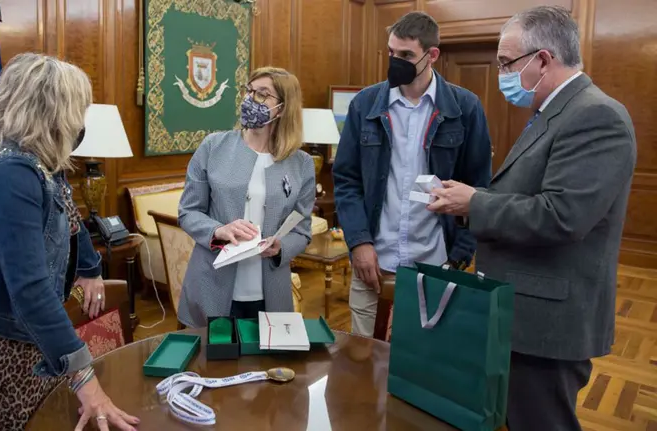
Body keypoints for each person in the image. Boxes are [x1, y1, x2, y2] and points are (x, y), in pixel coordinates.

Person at [427, 6, 636, 431]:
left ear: (542, 60)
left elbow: (562, 216)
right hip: (521, 309)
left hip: (549, 322)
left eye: (506, 63)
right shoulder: (553, 112)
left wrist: (475, 204)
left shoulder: (596, 116)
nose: (502, 73)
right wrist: (470, 199)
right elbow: (528, 196)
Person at [0, 53, 139, 431]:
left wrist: (89, 270)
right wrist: (88, 384)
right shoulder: (10, 172)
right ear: (53, 111)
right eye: (79, 109)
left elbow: (71, 221)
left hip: (29, 343)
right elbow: (30, 291)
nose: (82, 122)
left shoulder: (40, 165)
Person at [332, 11, 492, 336]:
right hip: (373, 263)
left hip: (433, 264)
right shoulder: (365, 104)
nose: (396, 61)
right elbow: (347, 181)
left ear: (432, 55)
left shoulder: (465, 108)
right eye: (391, 53)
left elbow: (478, 189)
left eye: (406, 55)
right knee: (364, 366)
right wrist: (359, 243)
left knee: (419, 369)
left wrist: (459, 257)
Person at [178, 66, 315, 327]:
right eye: (249, 91)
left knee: (264, 366)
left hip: (269, 290)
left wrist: (281, 247)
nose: (251, 99)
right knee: (212, 364)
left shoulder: (302, 164)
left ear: (283, 108)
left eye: (263, 95)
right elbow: (188, 212)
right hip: (213, 283)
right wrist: (218, 229)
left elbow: (302, 230)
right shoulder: (213, 147)